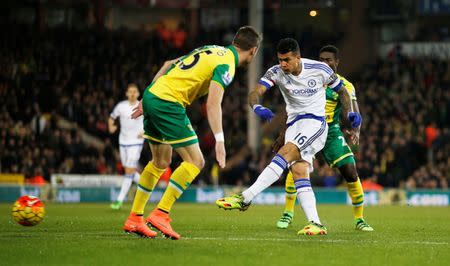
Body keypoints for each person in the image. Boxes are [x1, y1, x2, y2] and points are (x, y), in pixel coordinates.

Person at [123, 26, 262, 239]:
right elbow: (214, 104)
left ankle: (135, 218)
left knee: (160, 162)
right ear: (253, 51)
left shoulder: (211, 49)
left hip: (153, 96)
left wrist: (146, 98)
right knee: (196, 161)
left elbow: (167, 65)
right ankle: (161, 213)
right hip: (169, 102)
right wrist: (220, 140)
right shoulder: (227, 64)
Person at [216, 38, 361, 236]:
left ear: (298, 57)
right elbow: (255, 92)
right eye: (280, 60)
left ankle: (246, 197)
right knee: (299, 172)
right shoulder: (276, 72)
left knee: (285, 154)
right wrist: (257, 106)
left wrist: (349, 114)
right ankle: (315, 223)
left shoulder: (319, 69)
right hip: (294, 124)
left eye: (287, 60)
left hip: (315, 123)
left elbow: (343, 92)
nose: (283, 64)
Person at [274, 45, 373, 232]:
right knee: (296, 167)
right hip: (306, 128)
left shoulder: (345, 85)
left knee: (350, 170)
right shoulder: (307, 78)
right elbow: (292, 109)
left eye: (328, 60)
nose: (324, 63)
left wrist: (356, 129)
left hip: (330, 131)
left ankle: (360, 219)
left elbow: (352, 108)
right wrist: (282, 134)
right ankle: (288, 213)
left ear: (337, 62)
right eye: (321, 59)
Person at [108, 84, 144, 210]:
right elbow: (112, 117)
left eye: (135, 91)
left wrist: (145, 131)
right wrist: (110, 126)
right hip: (123, 142)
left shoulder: (142, 105)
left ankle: (119, 200)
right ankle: (146, 185)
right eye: (130, 91)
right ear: (127, 94)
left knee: (129, 172)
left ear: (138, 94)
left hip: (136, 142)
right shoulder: (121, 106)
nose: (133, 93)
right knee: (130, 171)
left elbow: (151, 119)